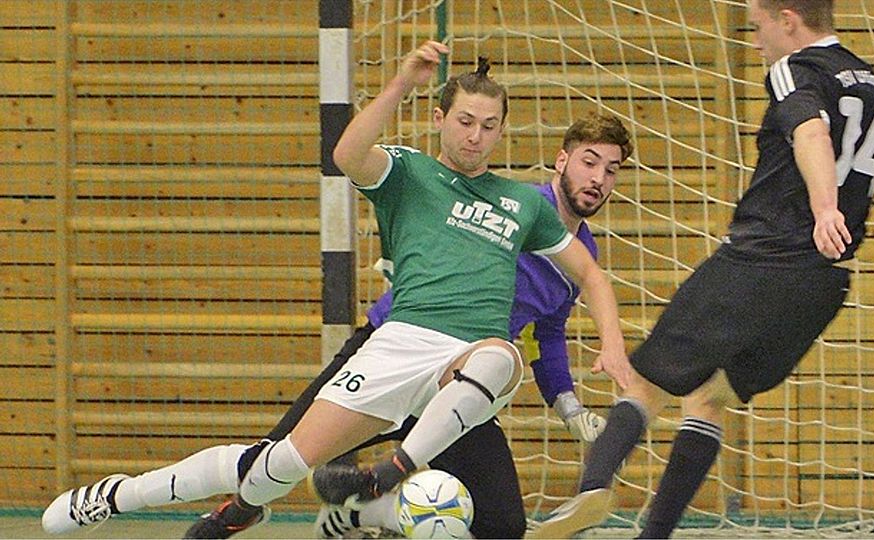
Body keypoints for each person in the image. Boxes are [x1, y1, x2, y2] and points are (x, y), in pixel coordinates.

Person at [41, 40, 629, 538]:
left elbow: (590, 277)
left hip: (462, 372)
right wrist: (402, 80)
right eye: (465, 122)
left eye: (490, 126)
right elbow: (347, 153)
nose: (476, 137)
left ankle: (386, 478)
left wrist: (611, 347)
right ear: (441, 119)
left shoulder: (522, 203)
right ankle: (123, 494)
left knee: (501, 362)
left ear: (504, 131)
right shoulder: (411, 174)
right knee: (270, 468)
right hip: (395, 344)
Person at [173, 110, 632, 540]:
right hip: (392, 353)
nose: (597, 178)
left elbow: (546, 337)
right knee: (278, 456)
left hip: (459, 384)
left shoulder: (578, 260)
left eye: (610, 170)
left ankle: (358, 513)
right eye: (589, 162)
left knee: (502, 527)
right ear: (562, 161)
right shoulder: (513, 206)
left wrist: (570, 409)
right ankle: (235, 511)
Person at [530, 1, 874, 538]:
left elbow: (810, 132)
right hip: (825, 279)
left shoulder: (795, 68)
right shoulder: (869, 81)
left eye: (760, 24)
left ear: (788, 19)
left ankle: (593, 487)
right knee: (710, 396)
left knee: (647, 382)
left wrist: (822, 207)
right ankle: (656, 535)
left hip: (762, 260)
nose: (756, 39)